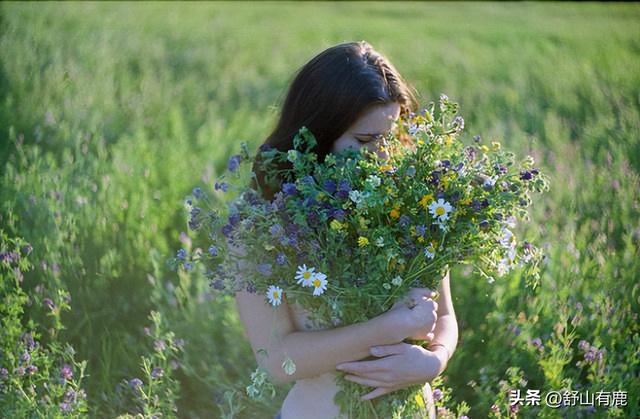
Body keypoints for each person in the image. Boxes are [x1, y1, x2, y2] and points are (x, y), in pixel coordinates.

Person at [234, 41, 458, 419]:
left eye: (390, 138)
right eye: (365, 141)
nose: (383, 156)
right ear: (319, 134)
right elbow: (276, 359)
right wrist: (387, 328)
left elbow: (446, 317)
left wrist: (434, 362)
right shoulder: (263, 223)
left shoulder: (413, 206)